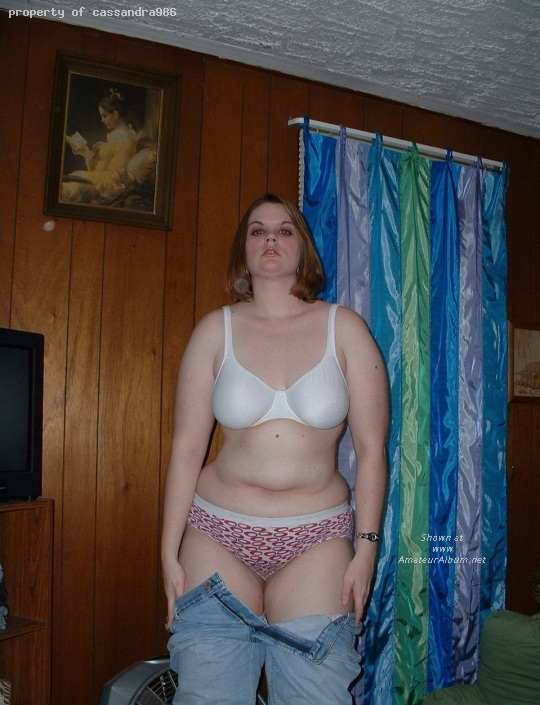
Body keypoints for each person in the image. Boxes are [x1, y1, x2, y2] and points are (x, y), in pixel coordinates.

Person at [162, 193, 388, 704]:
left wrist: (367, 551)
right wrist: (167, 553)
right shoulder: (214, 330)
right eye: (258, 230)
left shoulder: (344, 328)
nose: (271, 239)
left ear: (303, 248)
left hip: (317, 541)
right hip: (216, 535)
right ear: (243, 250)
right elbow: (186, 449)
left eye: (285, 230)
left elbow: (372, 450)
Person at [62, 88, 138, 203]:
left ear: (115, 114)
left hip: (107, 188)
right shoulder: (114, 138)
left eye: (104, 116)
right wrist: (86, 153)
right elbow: (97, 170)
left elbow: (114, 178)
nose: (102, 120)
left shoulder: (126, 142)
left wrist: (85, 176)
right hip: (97, 182)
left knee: (68, 188)